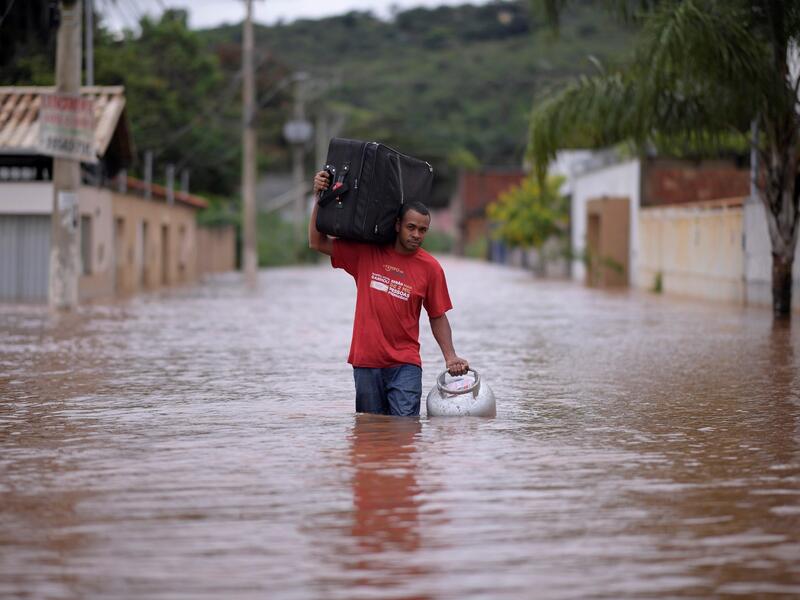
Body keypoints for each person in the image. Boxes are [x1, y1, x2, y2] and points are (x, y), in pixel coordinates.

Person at [309, 169, 469, 417]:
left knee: (405, 434)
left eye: (422, 230)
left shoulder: (431, 268)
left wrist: (450, 356)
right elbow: (317, 242)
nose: (416, 235)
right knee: (371, 435)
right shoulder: (367, 254)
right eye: (411, 227)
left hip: (405, 365)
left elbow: (437, 315)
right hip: (366, 362)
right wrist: (320, 197)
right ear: (397, 225)